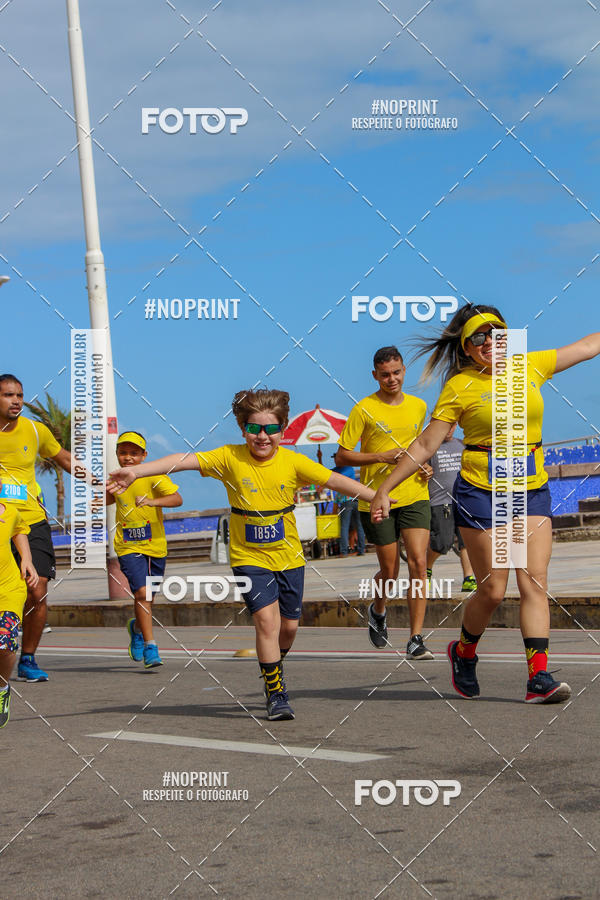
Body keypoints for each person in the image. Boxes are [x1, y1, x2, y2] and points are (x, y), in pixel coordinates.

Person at [371, 307, 600, 703]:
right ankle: (463, 652)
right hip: (481, 492)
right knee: (493, 589)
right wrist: (384, 488)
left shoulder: (530, 365)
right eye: (479, 338)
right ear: (467, 347)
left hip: (530, 489)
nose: (490, 343)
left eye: (498, 334)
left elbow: (586, 346)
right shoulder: (459, 386)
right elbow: (427, 444)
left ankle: (538, 677)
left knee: (534, 580)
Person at [107, 389, 378, 721]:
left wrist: (376, 496)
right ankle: (276, 694)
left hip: (289, 556)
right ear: (242, 429)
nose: (262, 436)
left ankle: (271, 667)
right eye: (253, 429)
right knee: (266, 621)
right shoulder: (229, 457)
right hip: (248, 557)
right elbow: (182, 460)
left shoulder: (293, 461)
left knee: (289, 628)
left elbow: (335, 480)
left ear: (283, 429)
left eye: (270, 429)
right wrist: (139, 471)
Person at [336, 346, 434, 659]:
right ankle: (378, 610)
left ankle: (416, 638)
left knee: (419, 564)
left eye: (397, 372)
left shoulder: (419, 406)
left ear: (404, 371)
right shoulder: (364, 409)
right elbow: (342, 455)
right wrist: (381, 456)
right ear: (375, 375)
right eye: (385, 375)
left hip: (416, 493)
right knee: (389, 571)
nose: (391, 379)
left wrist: (426, 464)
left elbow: (423, 445)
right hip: (377, 498)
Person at [0, 375, 72, 682]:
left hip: (32, 521)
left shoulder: (34, 429)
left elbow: (63, 458)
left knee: (37, 591)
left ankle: (27, 657)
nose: (16, 400)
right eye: (7, 395)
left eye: (19, 395)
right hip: (3, 523)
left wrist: (97, 481)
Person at [106, 432, 182, 668]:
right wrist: (98, 495)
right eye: (123, 453)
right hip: (127, 546)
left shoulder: (153, 476)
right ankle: (151, 646)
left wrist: (152, 502)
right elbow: (107, 500)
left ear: (144, 456)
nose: (128, 458)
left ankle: (137, 628)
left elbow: (177, 498)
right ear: (117, 454)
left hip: (156, 546)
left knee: (148, 597)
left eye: (134, 453)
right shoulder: (115, 478)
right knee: (142, 593)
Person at [0, 500, 39, 726]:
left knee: (4, 644)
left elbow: (19, 529)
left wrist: (27, 558)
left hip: (9, 589)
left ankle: (2, 687)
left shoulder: (9, 511)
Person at [427, 422, 477, 592]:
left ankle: (469, 577)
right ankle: (426, 570)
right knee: (442, 542)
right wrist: (424, 469)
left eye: (452, 425)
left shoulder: (462, 445)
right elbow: (418, 468)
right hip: (441, 502)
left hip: (464, 500)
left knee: (466, 542)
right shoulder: (429, 447)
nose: (449, 430)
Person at [331, 458, 365, 556]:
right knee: (359, 526)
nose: (335, 461)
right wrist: (320, 457)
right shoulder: (344, 469)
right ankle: (361, 549)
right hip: (356, 499)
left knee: (345, 527)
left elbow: (333, 478)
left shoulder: (346, 469)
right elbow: (323, 472)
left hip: (346, 501)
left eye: (336, 459)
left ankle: (344, 551)